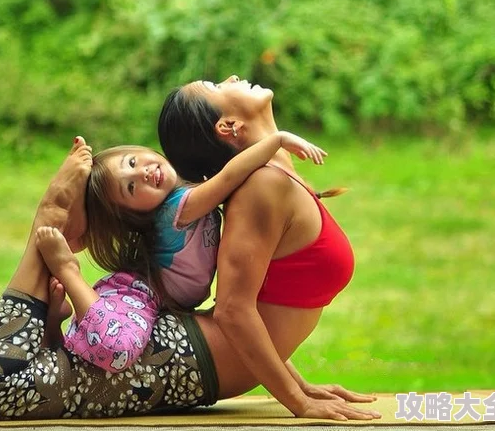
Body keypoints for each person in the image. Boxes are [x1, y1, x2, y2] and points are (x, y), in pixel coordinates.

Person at [0, 80, 381, 421]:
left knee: (24, 379)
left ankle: (53, 306)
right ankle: (48, 220)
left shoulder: (268, 177)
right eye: (218, 84)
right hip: (181, 359)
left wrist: (298, 383)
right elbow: (234, 312)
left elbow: (254, 306)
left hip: (181, 354)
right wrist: (298, 401)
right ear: (227, 126)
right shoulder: (262, 185)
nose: (232, 78)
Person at [34, 131, 329, 374]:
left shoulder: (186, 196)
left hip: (162, 303)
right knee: (118, 350)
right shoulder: (176, 210)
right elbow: (229, 177)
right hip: (137, 294)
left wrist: (302, 386)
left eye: (134, 161)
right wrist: (276, 141)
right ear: (133, 214)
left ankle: (54, 329)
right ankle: (67, 271)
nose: (144, 172)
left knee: (78, 358)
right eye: (132, 187)